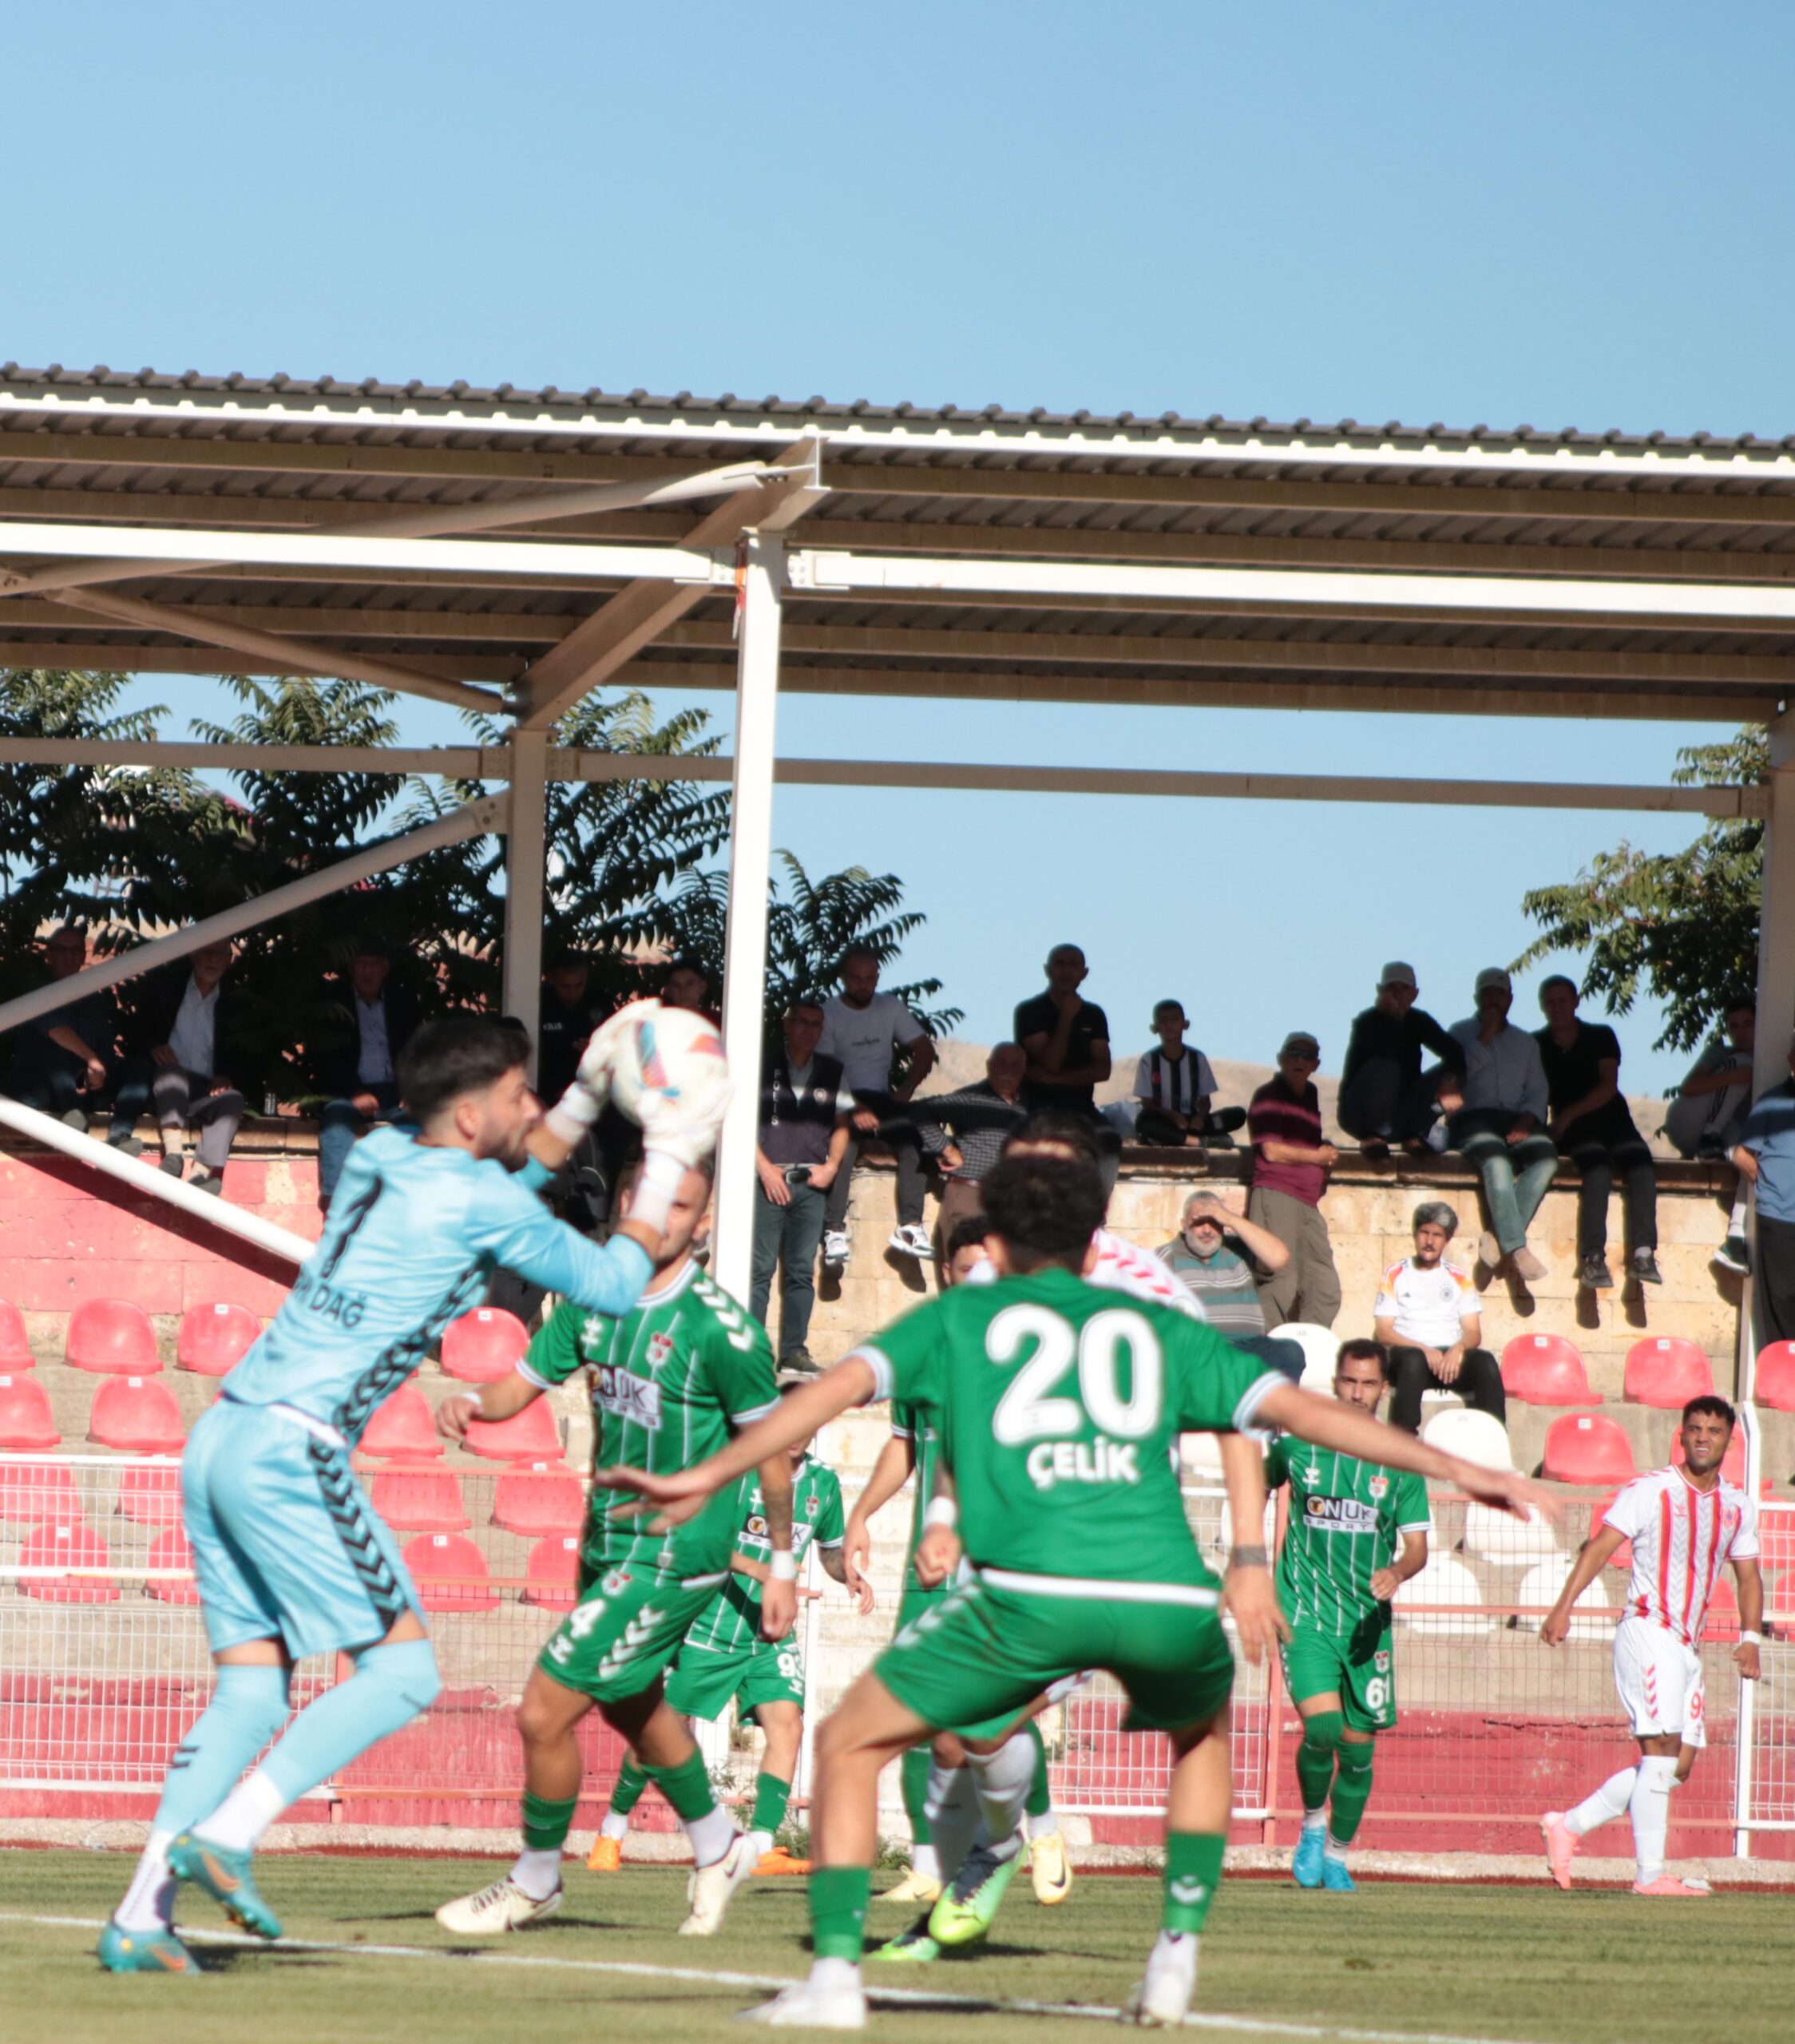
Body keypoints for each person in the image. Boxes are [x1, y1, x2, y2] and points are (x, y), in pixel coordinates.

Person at [593, 1143, 1548, 2030]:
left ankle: (839, 1979)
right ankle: (1173, 1952)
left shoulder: (961, 1314)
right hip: (1167, 1598)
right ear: (1095, 1232)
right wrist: (1465, 1469)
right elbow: (1293, 1408)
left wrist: (698, 1475)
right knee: (1201, 1733)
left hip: (1028, 1594)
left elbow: (828, 1392)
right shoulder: (1154, 1320)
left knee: (847, 1742)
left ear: (993, 1238)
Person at [97, 1005, 725, 1972]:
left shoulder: (391, 1154)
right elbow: (609, 1278)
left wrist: (586, 1088)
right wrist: (675, 1146)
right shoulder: (487, 1203)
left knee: (253, 1694)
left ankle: (142, 1913)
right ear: (475, 1116)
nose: (533, 1108)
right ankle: (230, 1833)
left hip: (221, 1433)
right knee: (401, 1673)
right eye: (520, 1092)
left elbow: (514, 1159)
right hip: (292, 1447)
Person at [433, 1151, 794, 1942]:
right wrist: (473, 1402)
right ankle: (718, 1846)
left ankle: (534, 1878)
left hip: (679, 1548)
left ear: (702, 1225)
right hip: (607, 1536)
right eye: (650, 1199)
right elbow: (521, 1381)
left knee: (542, 1710)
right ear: (625, 1200)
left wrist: (782, 1561)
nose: (664, 1216)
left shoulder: (721, 1328)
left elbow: (773, 1448)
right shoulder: (591, 1296)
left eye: (683, 1208)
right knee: (633, 1702)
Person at [590, 1390, 867, 1878]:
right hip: (713, 1625)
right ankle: (611, 1833)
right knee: (660, 1733)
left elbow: (828, 1550)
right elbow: (703, 1544)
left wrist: (849, 1574)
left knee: (788, 1726)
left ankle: (759, 1845)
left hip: (770, 1635)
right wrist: (761, 1572)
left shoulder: (823, 1484)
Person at [1540, 1396, 1762, 1897]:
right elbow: (1600, 1547)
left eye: (1715, 1430)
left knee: (1676, 1766)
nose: (1704, 1437)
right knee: (1658, 1752)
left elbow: (1749, 1577)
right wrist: (1563, 1606)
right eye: (1695, 1428)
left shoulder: (1736, 1506)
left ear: (1730, 1439)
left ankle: (1569, 1825)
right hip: (1647, 1629)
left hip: (1688, 1644)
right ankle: (1649, 1876)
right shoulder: (1650, 1490)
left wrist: (1751, 1639)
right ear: (1681, 1436)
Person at [1266, 1339, 1430, 1892]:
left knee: (1358, 1755)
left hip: (1365, 1627)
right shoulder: (1299, 1447)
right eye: (1349, 1382)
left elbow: (1417, 1549)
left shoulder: (1402, 1462)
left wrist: (1398, 1573)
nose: (1357, 1393)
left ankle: (1337, 1855)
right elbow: (1254, 1477)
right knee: (1323, 1728)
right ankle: (1313, 1826)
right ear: (1334, 1383)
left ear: (1384, 1388)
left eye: (1368, 1384)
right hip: (1305, 1613)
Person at [1534, 976, 1662, 1291]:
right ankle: (1593, 1258)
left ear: (1576, 1002)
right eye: (1550, 1002)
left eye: (1563, 1000)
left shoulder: (1600, 1035)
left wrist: (1566, 1114)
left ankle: (1644, 1254)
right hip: (1575, 1132)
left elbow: (1608, 1086)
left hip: (1612, 1120)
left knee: (1642, 1167)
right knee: (1598, 1169)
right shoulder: (1536, 1044)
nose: (1557, 1007)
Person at [817, 945, 937, 1266]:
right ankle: (834, 1230)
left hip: (884, 1098)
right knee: (844, 1144)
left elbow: (924, 1050)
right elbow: (825, 1070)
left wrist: (906, 1088)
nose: (863, 985)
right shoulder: (829, 1013)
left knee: (917, 1140)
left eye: (870, 979)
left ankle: (910, 1227)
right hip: (840, 1097)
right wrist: (853, 1107)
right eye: (856, 979)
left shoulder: (890, 1007)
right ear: (843, 978)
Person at [753, 1000, 854, 1373]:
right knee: (759, 1269)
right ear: (787, 1025)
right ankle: (752, 1350)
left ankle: (794, 1351)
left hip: (810, 1183)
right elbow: (739, 1118)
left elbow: (843, 1124)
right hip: (767, 1180)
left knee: (801, 1271)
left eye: (816, 1025)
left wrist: (831, 1166)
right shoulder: (761, 1063)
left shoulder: (832, 1070)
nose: (809, 1030)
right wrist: (764, 1169)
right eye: (803, 1023)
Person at [1447, 969, 1556, 1283]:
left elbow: (1537, 1091)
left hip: (1513, 1119)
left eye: (1500, 994)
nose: (1493, 1000)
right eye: (1487, 994)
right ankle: (1517, 1247)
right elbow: (1455, 1076)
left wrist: (1526, 1119)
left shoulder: (1526, 1043)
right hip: (1471, 1119)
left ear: (1510, 999)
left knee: (1546, 1159)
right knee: (1496, 1161)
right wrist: (1485, 1037)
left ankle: (1497, 1236)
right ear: (1477, 999)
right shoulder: (1460, 1033)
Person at [117, 940, 248, 1194]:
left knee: (233, 1100)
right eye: (207, 951)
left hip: (205, 1089)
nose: (214, 960)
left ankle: (201, 1175)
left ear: (230, 960)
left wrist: (225, 1076)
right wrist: (154, 1047)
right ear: (193, 953)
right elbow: (135, 1029)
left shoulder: (233, 1002)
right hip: (164, 1084)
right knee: (172, 1074)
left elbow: (242, 1054)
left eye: (221, 954)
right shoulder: (167, 988)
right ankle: (173, 1155)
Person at [1374, 1200, 1506, 1436]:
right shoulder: (1395, 1274)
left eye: (1437, 1235)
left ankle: (1494, 1439)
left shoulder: (1460, 1278)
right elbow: (1384, 1331)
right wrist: (1424, 1349)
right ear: (1415, 1235)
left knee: (1485, 1363)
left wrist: (1457, 1350)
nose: (1429, 1241)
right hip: (1409, 1355)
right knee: (1413, 1360)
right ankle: (1403, 1441)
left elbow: (1473, 1332)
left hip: (1448, 1359)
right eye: (1424, 1232)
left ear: (1447, 1239)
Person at [315, 937, 427, 1209]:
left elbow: (418, 1052)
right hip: (349, 1091)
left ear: (385, 968)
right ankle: (335, 1198)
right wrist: (354, 1091)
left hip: (395, 1093)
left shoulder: (402, 1002)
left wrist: (413, 1091)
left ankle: (419, 1197)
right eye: (362, 964)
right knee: (335, 1119)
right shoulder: (334, 1002)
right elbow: (323, 1056)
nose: (367, 971)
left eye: (374, 964)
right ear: (351, 968)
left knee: (428, 1120)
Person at [5, 922, 143, 1145]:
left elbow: (105, 1048)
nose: (68, 957)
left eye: (75, 951)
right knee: (50, 1045)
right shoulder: (38, 991)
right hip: (42, 1091)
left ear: (82, 956)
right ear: (49, 955)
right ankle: (74, 1113)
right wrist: (92, 1060)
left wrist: (93, 1072)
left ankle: (120, 1135)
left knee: (139, 1067)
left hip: (86, 1089)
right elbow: (56, 1029)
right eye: (61, 950)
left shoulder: (94, 1001)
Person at [1246, 1032, 1342, 1329]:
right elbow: (1271, 1151)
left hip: (1307, 1201)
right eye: (1294, 1054)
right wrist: (1318, 1158)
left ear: (1316, 1064)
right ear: (1281, 1059)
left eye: (1308, 1056)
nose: (1300, 1061)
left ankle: (1309, 1351)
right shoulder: (1268, 1095)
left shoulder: (1310, 1095)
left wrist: (1322, 1162)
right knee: (1281, 1280)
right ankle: (1272, 1355)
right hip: (1277, 1194)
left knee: (1324, 1286)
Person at [1155, 1192, 1304, 1383]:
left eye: (1215, 1221)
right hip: (1202, 1350)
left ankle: (1271, 1412)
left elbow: (1279, 1258)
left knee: (1290, 1352)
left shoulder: (1238, 1250)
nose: (1208, 1230)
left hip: (1250, 1347)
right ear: (1184, 1225)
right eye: (1199, 1222)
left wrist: (1231, 1219)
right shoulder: (1167, 1257)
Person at [907, 1042, 1031, 1257]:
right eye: (1002, 1063)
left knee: (1007, 1286)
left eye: (1015, 1065)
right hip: (971, 1197)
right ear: (989, 1066)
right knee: (969, 1277)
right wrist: (946, 1149)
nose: (1008, 1070)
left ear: (1024, 1070)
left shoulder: (1031, 1108)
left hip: (1014, 1205)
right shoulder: (971, 1099)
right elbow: (921, 1113)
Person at [1014, 943, 1120, 1191]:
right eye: (1060, 964)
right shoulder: (1030, 1011)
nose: (1066, 971)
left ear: (1084, 973)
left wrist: (1055, 1078)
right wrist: (1066, 1017)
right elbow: (1050, 1061)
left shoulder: (1094, 1015)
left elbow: (1102, 1070)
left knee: (1110, 1142)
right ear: (1047, 970)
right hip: (1039, 1106)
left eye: (1073, 965)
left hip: (1081, 1107)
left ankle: (1096, 1217)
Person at [1337, 962, 1466, 1158]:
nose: (1397, 994)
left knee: (1459, 1073)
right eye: (1391, 988)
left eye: (1403, 988)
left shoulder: (1419, 1021)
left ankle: (1413, 1134)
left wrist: (1449, 1082)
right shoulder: (1367, 1022)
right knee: (1387, 1067)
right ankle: (1373, 1136)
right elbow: (1387, 1051)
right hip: (1360, 1114)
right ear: (1380, 991)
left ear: (1414, 994)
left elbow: (1454, 1052)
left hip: (1401, 1114)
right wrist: (1392, 1018)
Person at [1666, 996, 1756, 1274]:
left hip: (1731, 1136)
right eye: (1734, 1026)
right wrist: (1736, 1076)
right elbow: (1689, 1087)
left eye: (1747, 1025)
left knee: (1754, 1166)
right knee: (1741, 1062)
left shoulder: (1769, 1061)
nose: (1740, 1032)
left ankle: (1736, 1240)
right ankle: (1710, 1137)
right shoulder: (1722, 1054)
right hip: (1689, 1122)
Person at [1734, 1035, 1795, 1348]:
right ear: (1791, 1061)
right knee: (1782, 1302)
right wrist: (1769, 1184)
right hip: (1779, 1215)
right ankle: (1784, 1379)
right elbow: (1742, 1155)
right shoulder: (1772, 1101)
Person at [1131, 1000, 1246, 1148]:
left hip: (1193, 1123)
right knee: (1144, 1121)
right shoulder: (1148, 1061)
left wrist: (1200, 1117)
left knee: (1238, 1115)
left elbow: (1205, 1101)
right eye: (1164, 1021)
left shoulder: (1198, 1058)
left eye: (1174, 1020)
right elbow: (1147, 1103)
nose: (1169, 1025)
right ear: (1155, 1028)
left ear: (1185, 1024)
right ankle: (1199, 1142)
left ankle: (1187, 1137)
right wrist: (1172, 1115)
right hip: (1166, 1122)